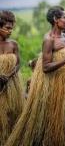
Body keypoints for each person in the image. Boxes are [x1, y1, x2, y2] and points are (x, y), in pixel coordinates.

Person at [6, 6, 65, 146]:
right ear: (56, 20)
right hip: (55, 86)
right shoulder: (48, 40)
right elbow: (45, 67)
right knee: (54, 118)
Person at [0, 10, 24, 145]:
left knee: (13, 114)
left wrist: (9, 75)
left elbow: (19, 64)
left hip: (13, 85)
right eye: (7, 28)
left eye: (12, 28)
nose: (10, 31)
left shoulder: (13, 44)